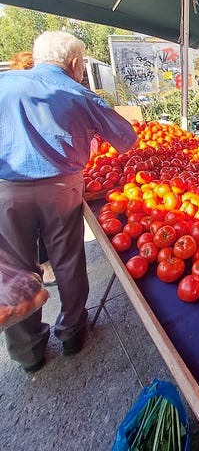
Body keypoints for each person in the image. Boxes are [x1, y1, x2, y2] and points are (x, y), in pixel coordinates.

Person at [0, 31, 138, 373]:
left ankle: (28, 353)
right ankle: (72, 333)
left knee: (15, 271)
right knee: (67, 260)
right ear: (76, 64)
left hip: (7, 190)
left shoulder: (4, 83)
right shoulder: (77, 91)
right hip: (61, 187)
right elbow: (126, 138)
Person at [8, 51, 56, 287]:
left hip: (8, 183)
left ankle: (26, 322)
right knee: (61, 246)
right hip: (52, 180)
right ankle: (71, 321)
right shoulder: (49, 94)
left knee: (17, 258)